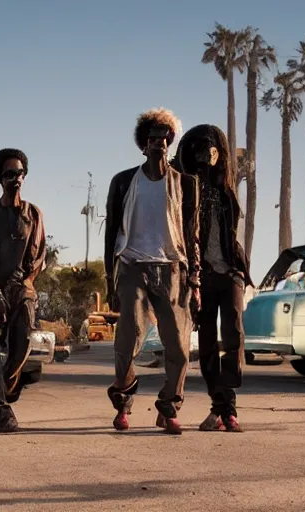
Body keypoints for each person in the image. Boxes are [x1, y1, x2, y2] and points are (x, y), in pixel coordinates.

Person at [103, 107, 201, 435]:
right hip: (132, 266)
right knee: (128, 338)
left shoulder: (186, 184)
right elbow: (111, 232)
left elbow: (192, 234)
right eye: (153, 139)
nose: (159, 143)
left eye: (164, 139)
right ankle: (123, 401)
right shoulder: (123, 182)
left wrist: (195, 278)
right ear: (143, 145)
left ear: (170, 144)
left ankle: (169, 406)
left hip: (173, 269)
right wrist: (109, 279)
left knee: (178, 344)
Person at [176, 124, 254, 433]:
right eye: (202, 149)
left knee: (233, 337)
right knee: (207, 344)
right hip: (202, 277)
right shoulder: (188, 188)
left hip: (230, 273)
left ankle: (226, 407)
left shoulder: (226, 190)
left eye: (213, 149)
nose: (208, 155)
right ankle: (222, 409)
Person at [0, 148, 47, 434]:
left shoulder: (34, 214)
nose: (15, 178)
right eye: (9, 174)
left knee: (21, 345)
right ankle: (2, 410)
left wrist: (25, 281)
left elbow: (39, 256)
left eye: (19, 173)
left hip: (22, 288)